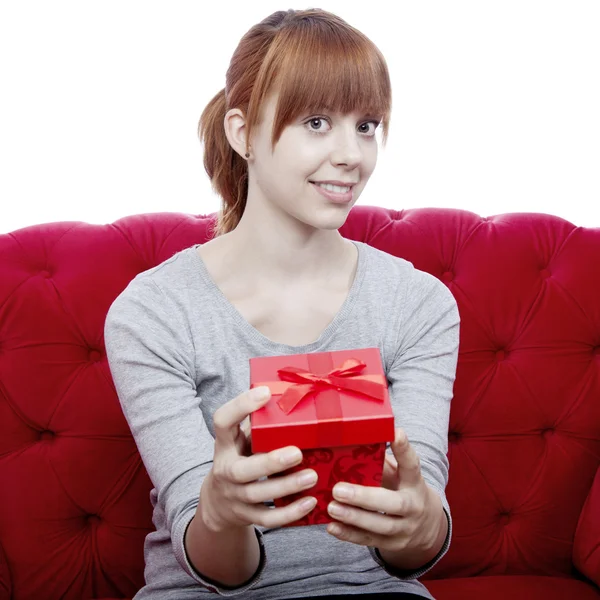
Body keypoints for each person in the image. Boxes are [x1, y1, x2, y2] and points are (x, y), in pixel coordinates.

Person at [104, 8, 460, 600]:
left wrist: (420, 519)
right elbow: (221, 571)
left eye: (367, 125)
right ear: (242, 133)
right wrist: (219, 511)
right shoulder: (153, 313)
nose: (352, 155)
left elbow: (414, 549)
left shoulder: (418, 304)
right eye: (317, 122)